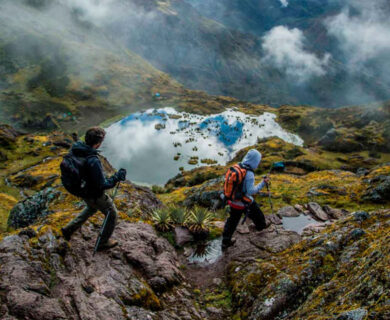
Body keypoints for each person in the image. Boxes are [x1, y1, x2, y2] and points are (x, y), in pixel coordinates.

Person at [61, 127, 126, 251]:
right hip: (94, 194)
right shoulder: (92, 160)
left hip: (81, 190)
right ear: (98, 143)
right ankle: (103, 242)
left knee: (91, 208)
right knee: (112, 215)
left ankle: (68, 229)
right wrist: (117, 177)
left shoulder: (77, 149)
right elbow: (102, 185)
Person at [222, 149, 268, 251]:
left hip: (233, 200)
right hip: (244, 202)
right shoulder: (249, 173)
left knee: (232, 222)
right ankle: (261, 230)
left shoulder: (238, 166)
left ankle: (225, 242)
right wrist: (262, 183)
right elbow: (251, 191)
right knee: (258, 215)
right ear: (255, 161)